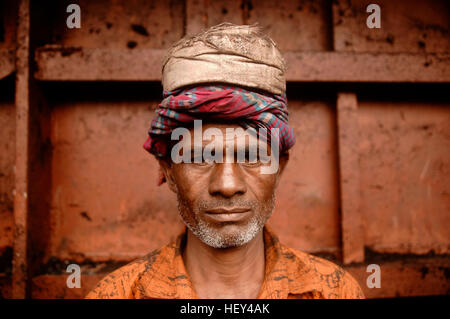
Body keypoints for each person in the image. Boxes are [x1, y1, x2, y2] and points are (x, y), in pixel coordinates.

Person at [85, 23, 364, 299]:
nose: (227, 185)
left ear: (280, 167)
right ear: (168, 170)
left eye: (251, 156)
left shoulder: (334, 292)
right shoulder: (117, 294)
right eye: (198, 158)